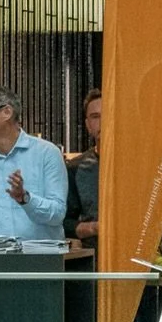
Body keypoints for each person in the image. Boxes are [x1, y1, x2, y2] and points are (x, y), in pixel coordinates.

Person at [0, 85, 66, 241]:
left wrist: (25, 198)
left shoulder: (47, 154)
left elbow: (57, 214)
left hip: (40, 259)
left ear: (7, 112)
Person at [62, 88, 101, 245]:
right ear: (88, 125)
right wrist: (94, 228)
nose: (102, 121)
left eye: (109, 114)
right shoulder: (75, 168)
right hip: (94, 259)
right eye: (95, 117)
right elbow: (63, 222)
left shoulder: (140, 166)